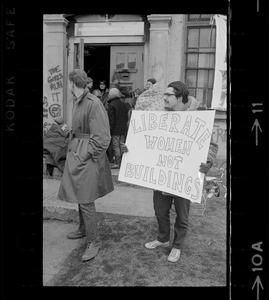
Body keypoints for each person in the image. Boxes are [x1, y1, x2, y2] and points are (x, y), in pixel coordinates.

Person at [123, 81, 218, 263]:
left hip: (184, 175)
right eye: (164, 94)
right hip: (162, 175)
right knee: (160, 210)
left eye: (168, 95)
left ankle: (177, 246)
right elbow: (147, 141)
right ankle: (163, 239)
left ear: (180, 97)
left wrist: (208, 161)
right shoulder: (160, 116)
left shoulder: (199, 117)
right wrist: (131, 149)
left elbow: (211, 145)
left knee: (182, 215)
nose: (164, 98)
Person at [57, 69, 114, 262]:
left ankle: (94, 241)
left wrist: (87, 155)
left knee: (86, 199)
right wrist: (63, 129)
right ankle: (83, 229)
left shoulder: (94, 103)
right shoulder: (78, 101)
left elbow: (103, 138)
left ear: (73, 84)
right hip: (78, 152)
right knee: (79, 195)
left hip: (86, 157)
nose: (69, 87)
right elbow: (80, 130)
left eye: (69, 83)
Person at [107, 87, 129, 169]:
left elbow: (111, 120)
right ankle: (122, 162)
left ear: (111, 95)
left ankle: (117, 163)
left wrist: (110, 130)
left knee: (116, 146)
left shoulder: (111, 105)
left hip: (116, 130)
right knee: (122, 145)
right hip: (123, 129)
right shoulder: (124, 104)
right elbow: (126, 117)